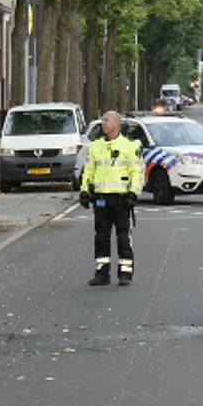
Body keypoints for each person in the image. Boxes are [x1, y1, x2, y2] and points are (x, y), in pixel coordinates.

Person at [80, 110, 144, 286]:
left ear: (117, 123)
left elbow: (137, 172)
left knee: (123, 237)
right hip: (101, 199)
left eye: (107, 120)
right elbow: (89, 170)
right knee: (101, 236)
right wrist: (85, 191)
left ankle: (125, 273)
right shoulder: (96, 146)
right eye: (102, 120)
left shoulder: (129, 146)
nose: (103, 123)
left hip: (122, 200)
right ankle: (102, 273)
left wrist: (133, 193)